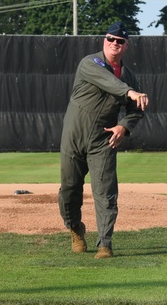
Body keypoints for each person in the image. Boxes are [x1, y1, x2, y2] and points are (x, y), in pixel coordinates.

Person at [59, 22, 150, 259]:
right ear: (104, 40)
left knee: (106, 193)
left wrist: (124, 126)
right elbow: (109, 82)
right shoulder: (90, 63)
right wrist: (130, 92)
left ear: (126, 46)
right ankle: (75, 227)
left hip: (103, 140)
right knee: (69, 190)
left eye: (119, 41)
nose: (114, 44)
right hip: (74, 136)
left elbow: (136, 111)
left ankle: (104, 243)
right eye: (110, 39)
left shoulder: (128, 75)